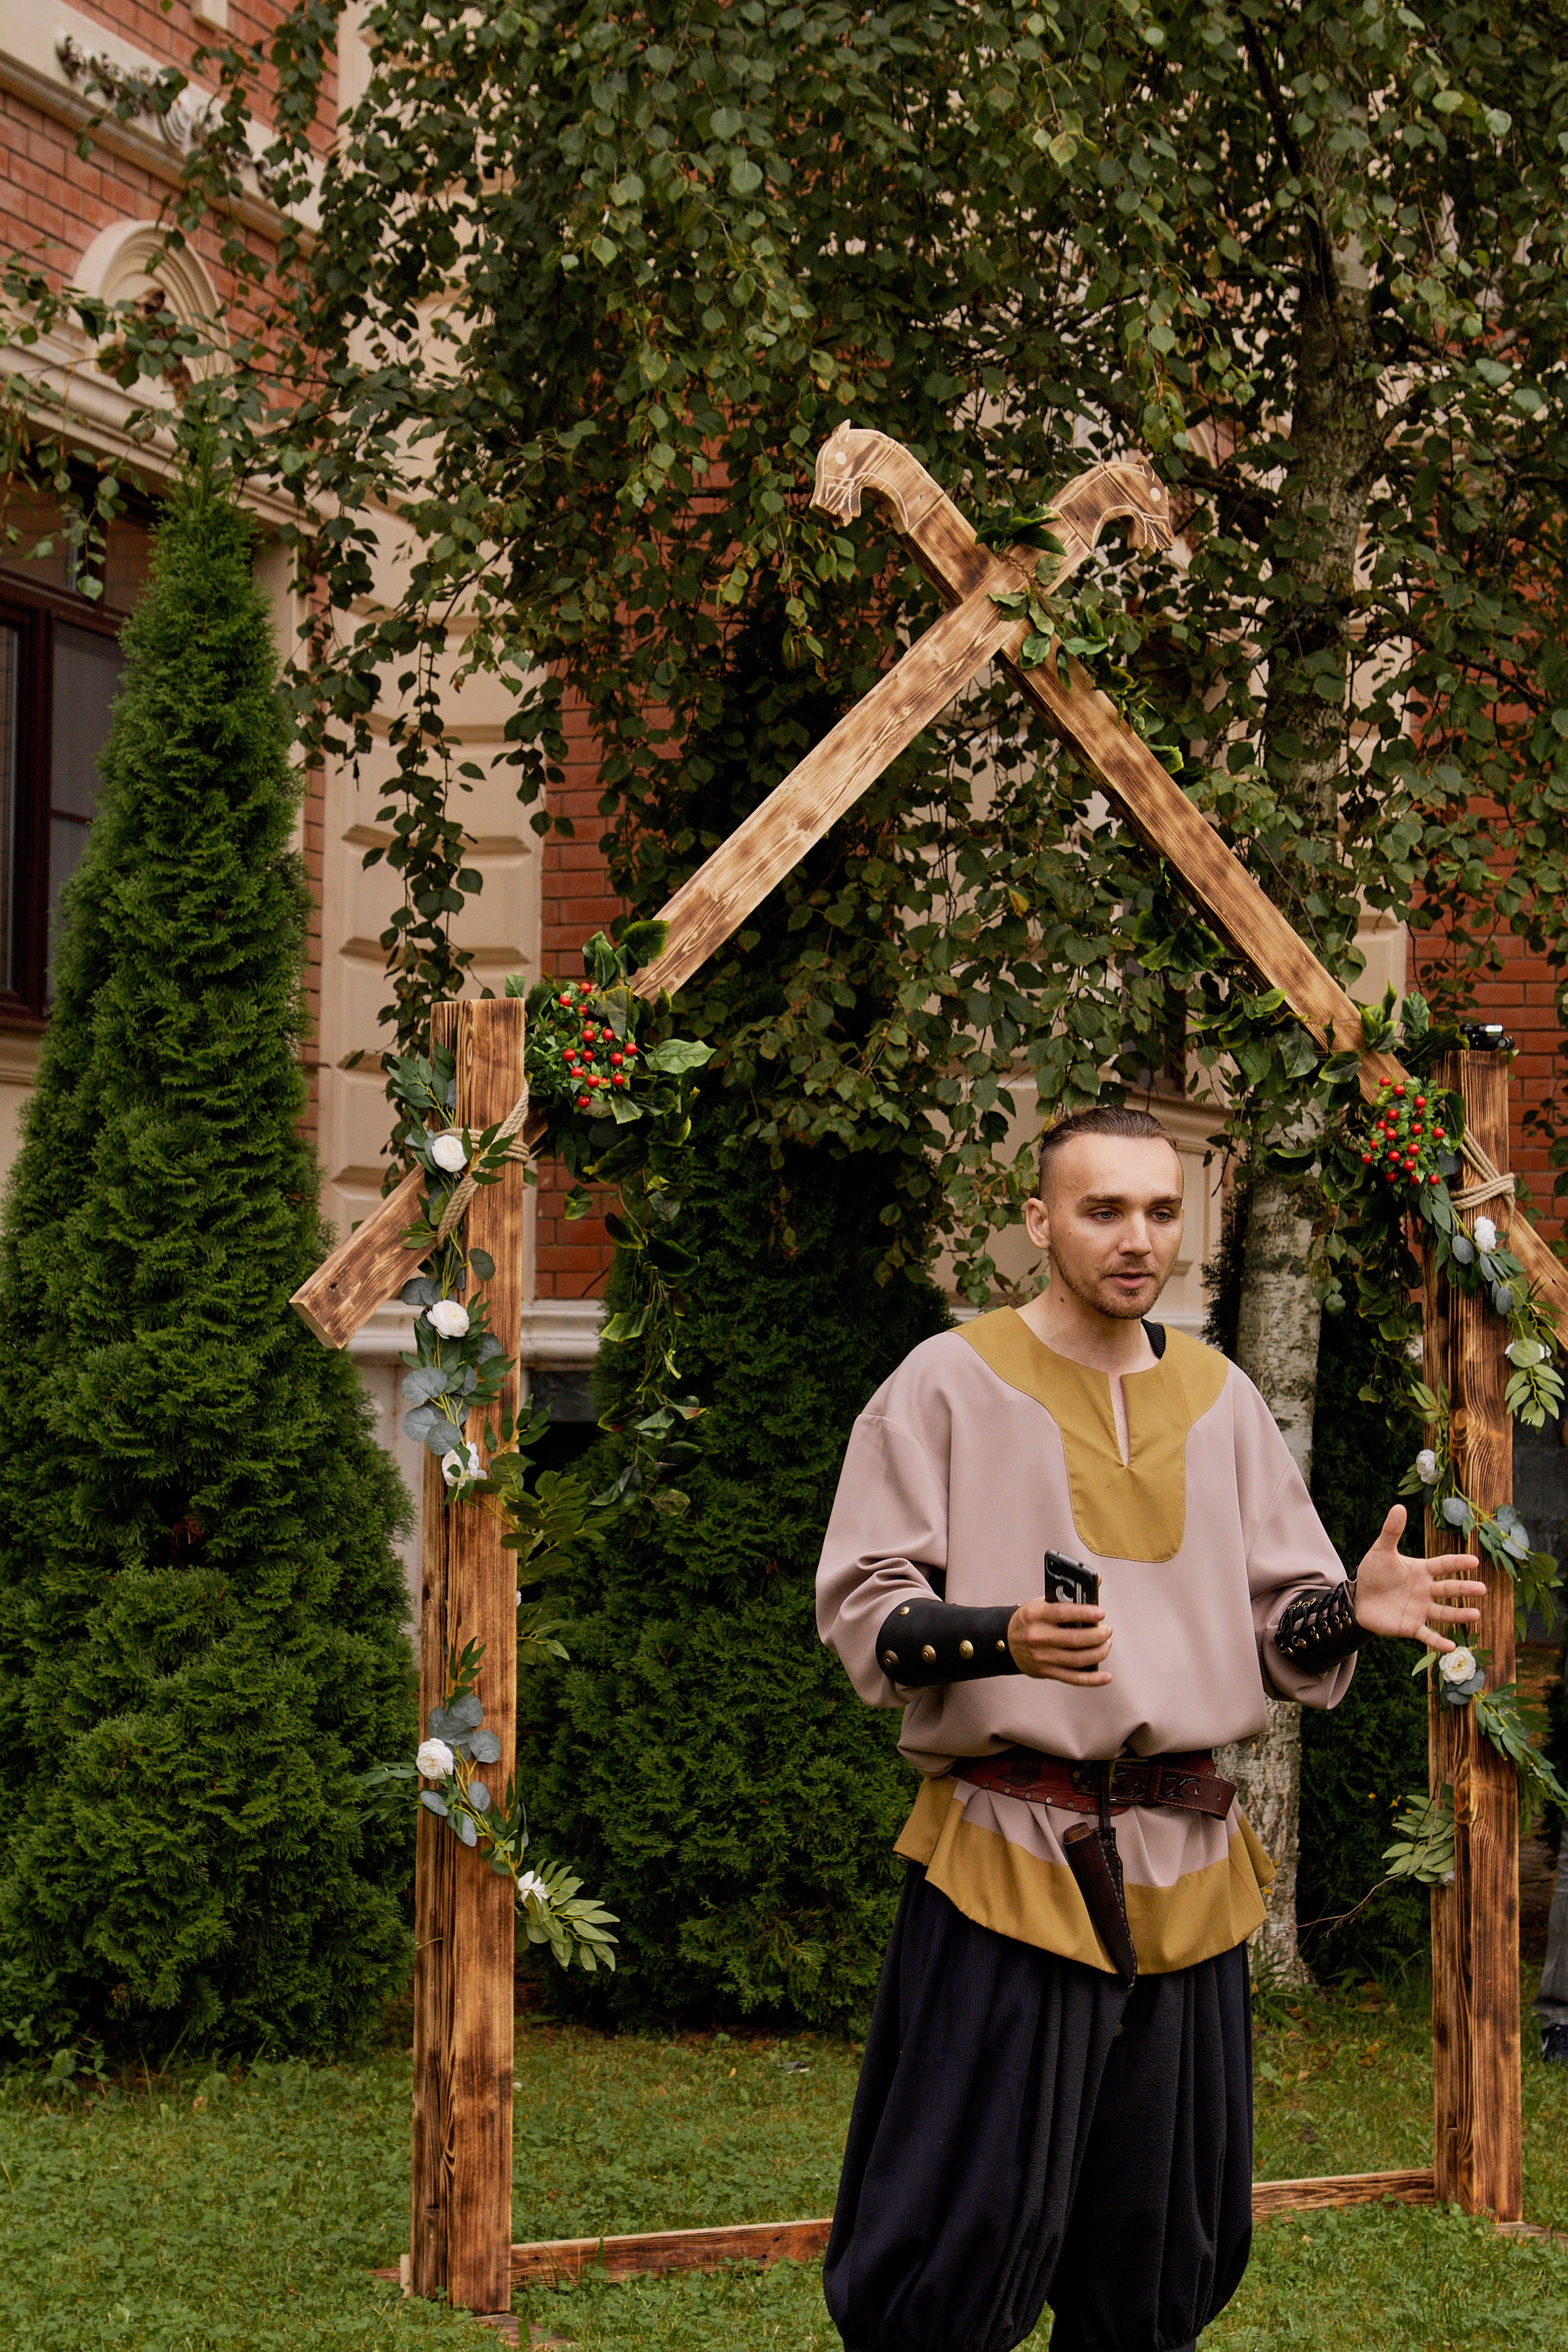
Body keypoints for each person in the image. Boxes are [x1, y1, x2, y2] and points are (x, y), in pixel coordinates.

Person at [815, 1105, 1485, 2352]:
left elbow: (1278, 1633)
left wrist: (1352, 1608)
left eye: (1161, 1211)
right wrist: (999, 1636)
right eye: (1102, 1209)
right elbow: (868, 1611)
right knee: (958, 2231)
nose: (1138, 1240)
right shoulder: (945, 1381)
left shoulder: (1217, 1395)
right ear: (1036, 1220)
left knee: (1160, 2245)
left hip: (1183, 1871)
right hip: (1009, 1861)